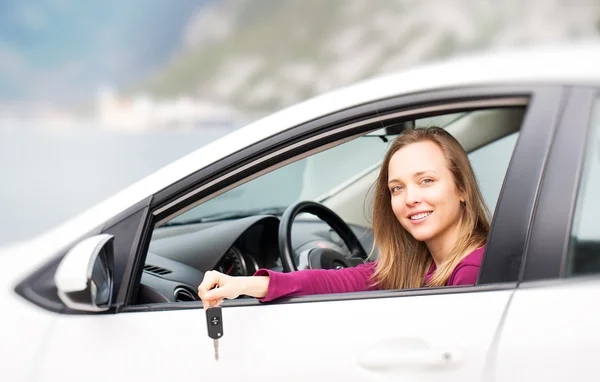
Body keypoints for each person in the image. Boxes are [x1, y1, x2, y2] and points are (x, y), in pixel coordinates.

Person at [197, 126, 491, 309]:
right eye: (397, 188)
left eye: (426, 180)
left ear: (462, 188)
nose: (410, 198)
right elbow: (332, 282)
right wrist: (241, 285)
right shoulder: (415, 267)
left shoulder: (473, 271)